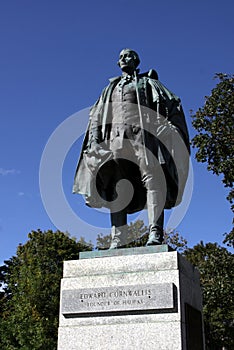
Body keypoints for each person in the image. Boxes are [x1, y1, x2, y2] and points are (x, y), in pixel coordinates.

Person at [73, 49, 190, 249]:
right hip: (115, 141)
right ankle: (118, 237)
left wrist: (168, 127)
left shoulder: (149, 83)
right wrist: (94, 140)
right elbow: (96, 115)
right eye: (120, 57)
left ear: (136, 61)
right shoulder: (110, 88)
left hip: (144, 138)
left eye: (128, 56)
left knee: (153, 180)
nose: (123, 59)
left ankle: (155, 232)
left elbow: (172, 103)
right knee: (118, 185)